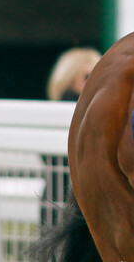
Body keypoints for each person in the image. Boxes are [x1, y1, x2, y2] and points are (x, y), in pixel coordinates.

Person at [41, 47, 101, 226]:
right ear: (68, 78)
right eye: (87, 77)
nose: (94, 82)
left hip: (60, 197)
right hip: (65, 200)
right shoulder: (70, 110)